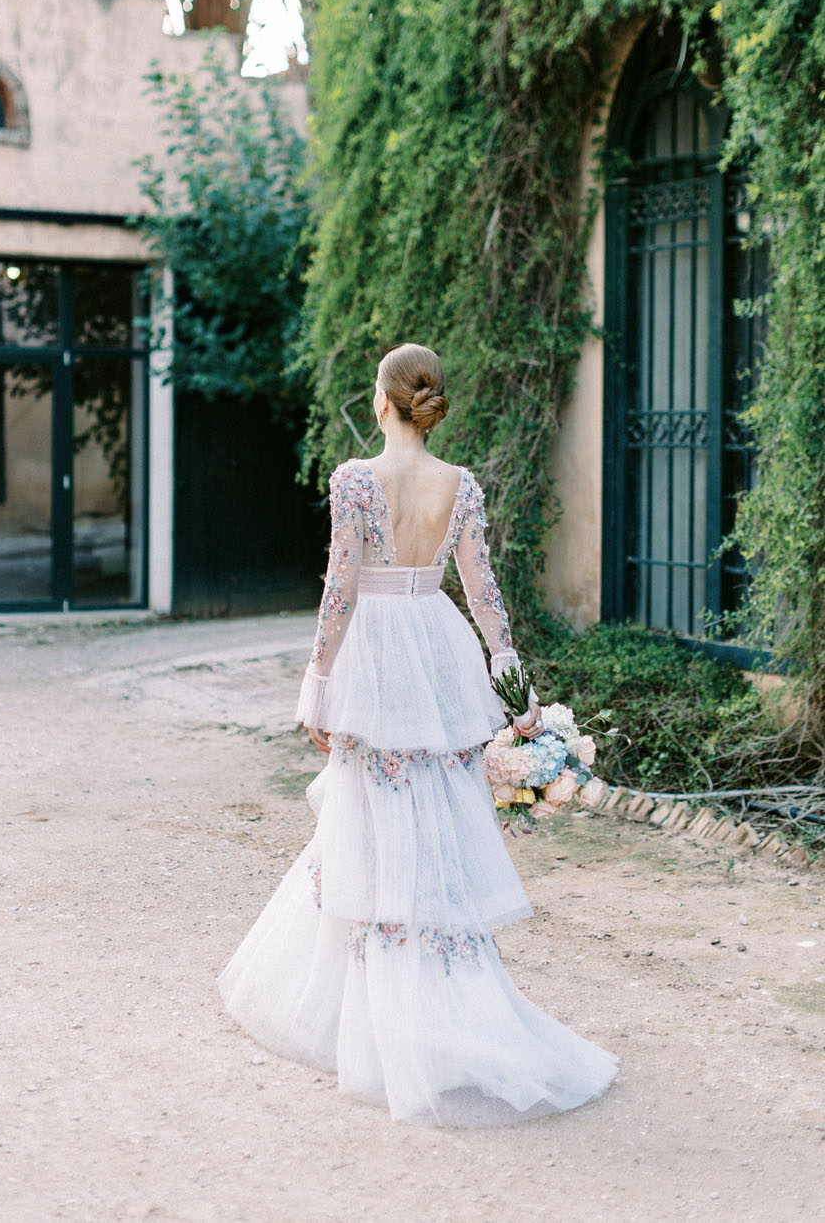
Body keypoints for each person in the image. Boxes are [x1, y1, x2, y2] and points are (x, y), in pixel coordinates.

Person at [218, 343, 618, 1126]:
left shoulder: (355, 480)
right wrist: (514, 687)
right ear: (427, 403)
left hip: (373, 647)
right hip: (436, 644)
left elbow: (340, 586)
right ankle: (434, 997)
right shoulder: (458, 486)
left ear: (383, 401)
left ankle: (380, 1016)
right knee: (433, 811)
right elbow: (483, 591)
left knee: (370, 816)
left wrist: (318, 686)